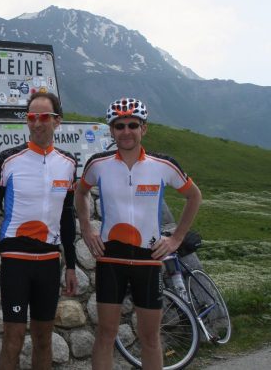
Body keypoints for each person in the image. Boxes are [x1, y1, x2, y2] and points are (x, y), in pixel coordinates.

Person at [74, 98, 202, 370]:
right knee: (106, 336)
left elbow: (194, 196)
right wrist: (86, 228)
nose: (126, 131)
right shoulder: (98, 164)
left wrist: (177, 238)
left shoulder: (163, 165)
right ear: (111, 131)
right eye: (119, 126)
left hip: (148, 259)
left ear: (144, 128)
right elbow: (81, 192)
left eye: (133, 125)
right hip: (111, 259)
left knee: (150, 338)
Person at [0, 91, 78, 370]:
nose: (37, 123)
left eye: (44, 116)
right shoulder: (8, 159)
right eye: (31, 117)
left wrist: (71, 265)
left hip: (48, 262)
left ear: (57, 121)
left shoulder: (68, 164)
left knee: (44, 339)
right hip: (16, 261)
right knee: (13, 338)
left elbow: (67, 219)